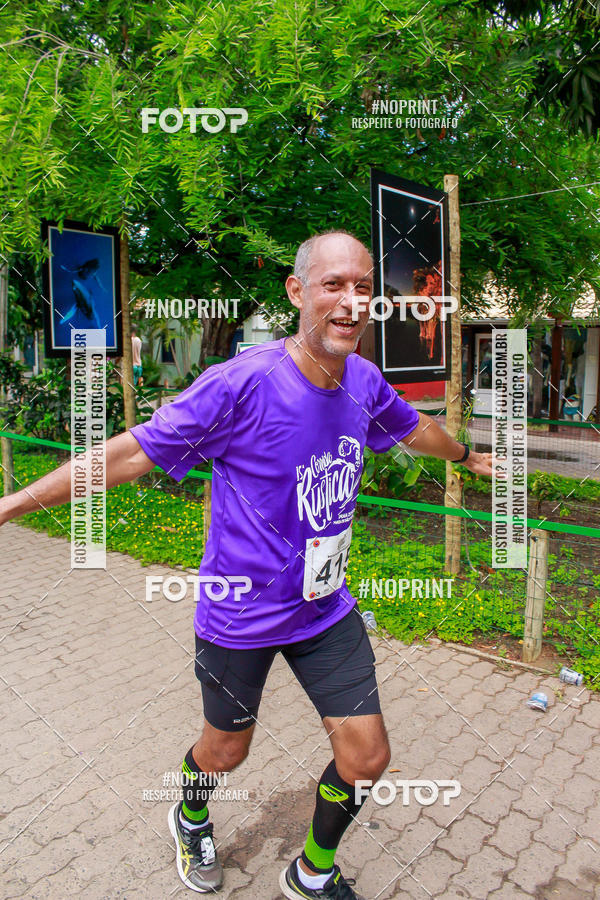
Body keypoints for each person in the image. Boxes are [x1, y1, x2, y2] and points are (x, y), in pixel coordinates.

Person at [0, 231, 493, 899]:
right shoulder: (241, 384)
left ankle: (312, 871)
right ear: (296, 292)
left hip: (324, 608)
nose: (352, 302)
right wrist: (9, 507)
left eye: (364, 288)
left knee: (367, 757)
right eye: (334, 285)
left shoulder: (365, 382)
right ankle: (190, 810)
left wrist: (466, 456)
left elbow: (413, 428)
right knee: (226, 752)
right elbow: (128, 455)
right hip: (242, 611)